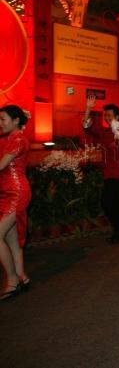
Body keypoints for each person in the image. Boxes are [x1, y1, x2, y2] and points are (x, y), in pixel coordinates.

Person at [82, 96, 119, 243]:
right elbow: (87, 126)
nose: (107, 118)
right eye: (105, 115)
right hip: (108, 172)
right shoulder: (104, 132)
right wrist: (89, 108)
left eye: (109, 115)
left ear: (117, 116)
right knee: (111, 202)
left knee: (108, 201)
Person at [0, 105, 31, 299]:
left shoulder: (18, 139)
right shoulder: (8, 139)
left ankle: (11, 280)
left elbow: (1, 165)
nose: (0, 123)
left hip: (16, 192)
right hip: (6, 192)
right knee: (11, 238)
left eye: (3, 119)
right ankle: (21, 276)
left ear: (16, 120)